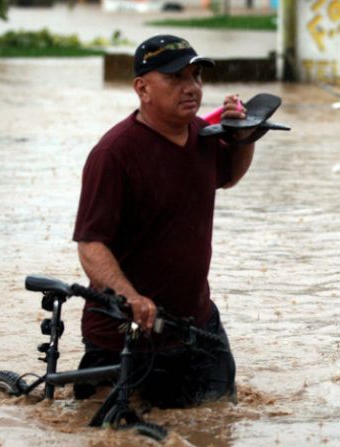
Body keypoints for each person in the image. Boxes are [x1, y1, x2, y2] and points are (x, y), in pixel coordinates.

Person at [71, 34, 260, 409]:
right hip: (125, 333)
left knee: (218, 426)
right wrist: (131, 297)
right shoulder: (114, 154)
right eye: (176, 79)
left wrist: (243, 138)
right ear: (142, 88)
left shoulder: (203, 137)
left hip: (196, 324)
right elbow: (91, 245)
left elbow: (228, 176)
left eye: (196, 77)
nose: (191, 88)